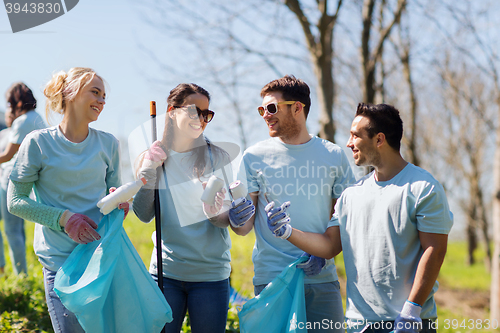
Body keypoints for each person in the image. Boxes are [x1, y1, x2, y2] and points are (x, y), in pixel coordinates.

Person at [285, 103, 453, 333]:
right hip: (358, 324)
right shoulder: (350, 195)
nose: (348, 143)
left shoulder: (423, 188)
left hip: (408, 322)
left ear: (379, 139)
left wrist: (412, 309)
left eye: (355, 135)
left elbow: (435, 250)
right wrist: (287, 231)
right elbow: (330, 245)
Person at [7, 67, 125, 333]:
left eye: (104, 96)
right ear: (70, 94)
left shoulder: (109, 144)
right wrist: (64, 219)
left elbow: (112, 192)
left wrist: (120, 202)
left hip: (100, 259)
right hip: (60, 263)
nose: (102, 101)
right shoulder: (37, 143)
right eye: (95, 92)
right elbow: (15, 201)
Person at [234, 75, 355, 332]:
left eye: (271, 108)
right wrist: (234, 219)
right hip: (272, 281)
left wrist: (324, 252)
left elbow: (345, 219)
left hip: (321, 280)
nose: (265, 115)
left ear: (297, 108)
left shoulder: (334, 156)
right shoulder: (253, 157)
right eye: (261, 110)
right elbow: (244, 227)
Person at [132, 83, 248, 333]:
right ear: (172, 112)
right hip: (166, 274)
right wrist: (149, 170)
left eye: (207, 114)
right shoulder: (151, 156)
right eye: (196, 112)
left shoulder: (217, 157)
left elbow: (222, 220)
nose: (202, 119)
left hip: (210, 275)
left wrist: (214, 212)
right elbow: (143, 214)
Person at [0, 82, 45, 275]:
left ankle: (20, 275)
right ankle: (22, 275)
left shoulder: (22, 121)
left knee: (11, 230)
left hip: (11, 178)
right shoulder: (38, 118)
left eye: (10, 103)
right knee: (18, 229)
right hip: (30, 178)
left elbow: (7, 155)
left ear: (16, 102)